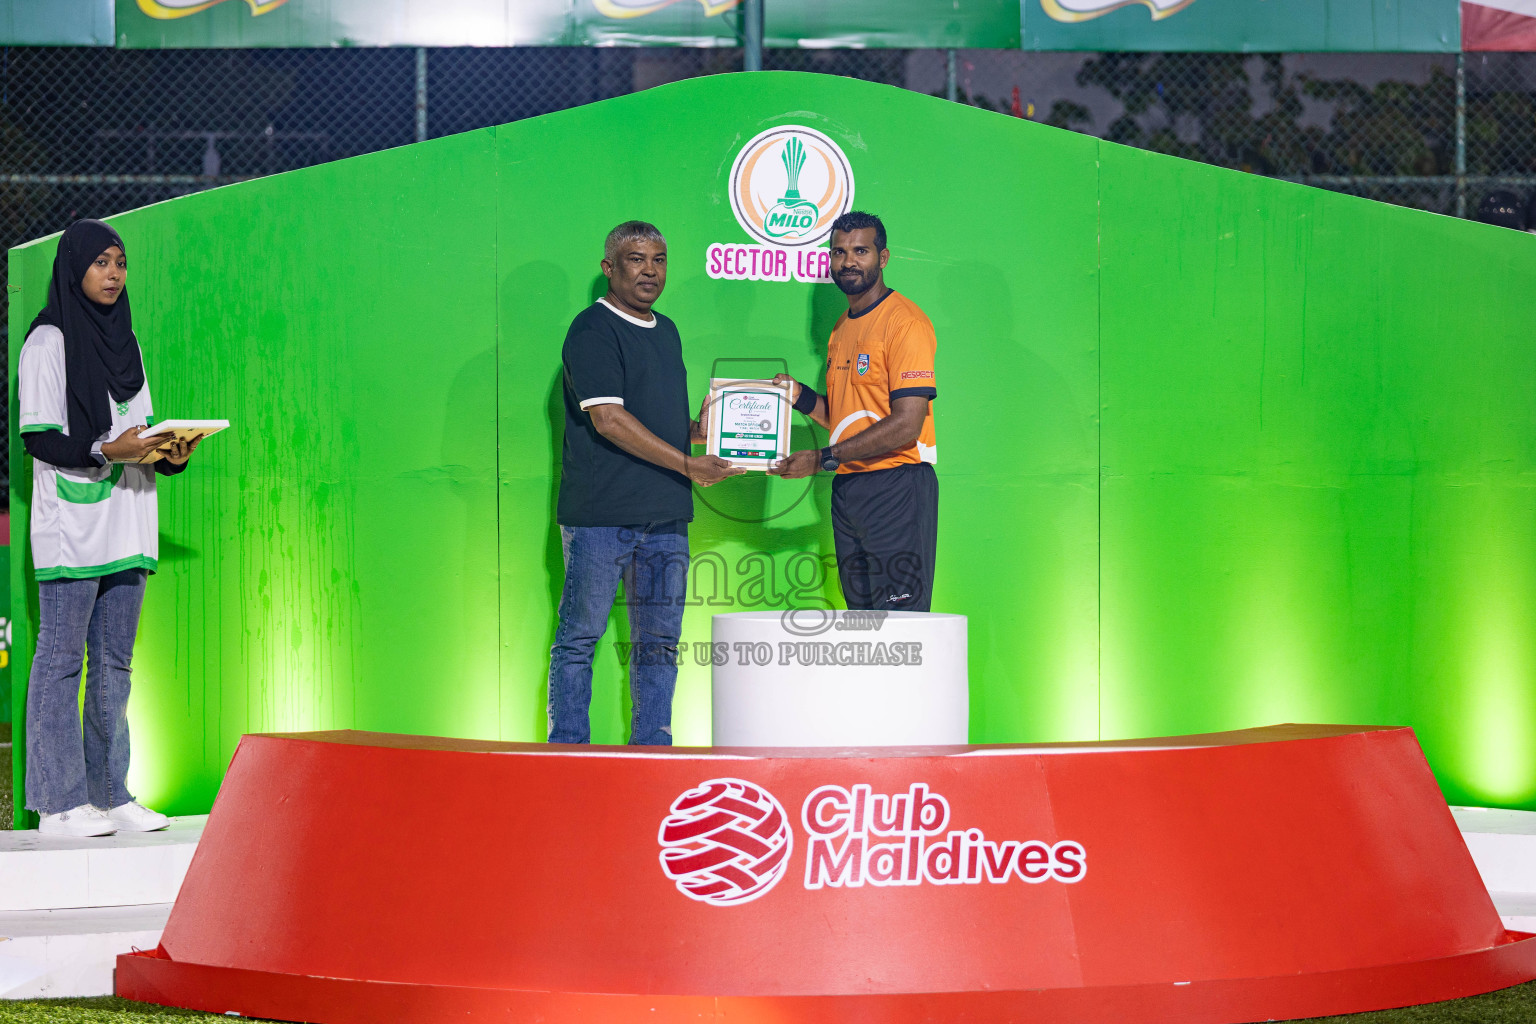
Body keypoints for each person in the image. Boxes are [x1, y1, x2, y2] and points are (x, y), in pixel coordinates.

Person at [19, 219, 200, 837]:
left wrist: (169, 451)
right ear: (75, 269)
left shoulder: (129, 342)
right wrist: (109, 452)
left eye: (121, 262)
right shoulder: (47, 341)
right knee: (62, 659)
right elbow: (40, 437)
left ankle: (110, 792)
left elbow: (138, 430)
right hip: (73, 521)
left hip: (129, 518)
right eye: (101, 262)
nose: (114, 273)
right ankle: (59, 804)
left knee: (115, 663)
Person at [548, 220, 741, 745]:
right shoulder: (591, 329)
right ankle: (566, 751)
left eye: (658, 259)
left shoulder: (669, 329)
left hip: (665, 515)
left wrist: (704, 433)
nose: (649, 270)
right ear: (610, 268)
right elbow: (608, 418)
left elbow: (655, 417)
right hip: (601, 517)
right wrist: (686, 464)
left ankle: (653, 753)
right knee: (579, 639)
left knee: (659, 642)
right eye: (636, 259)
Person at [771, 211, 939, 612]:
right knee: (862, 621)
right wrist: (799, 397)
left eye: (860, 251)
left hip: (897, 484)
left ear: (882, 258)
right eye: (839, 252)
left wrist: (823, 458)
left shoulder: (905, 323)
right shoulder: (841, 327)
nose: (848, 261)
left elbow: (906, 425)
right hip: (849, 489)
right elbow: (848, 419)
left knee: (901, 625)